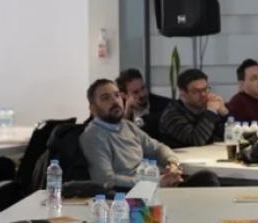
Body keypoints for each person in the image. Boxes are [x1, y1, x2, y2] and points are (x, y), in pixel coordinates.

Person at [80, 79, 218, 189]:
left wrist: (172, 164)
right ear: (93, 109)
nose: (115, 101)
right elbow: (105, 180)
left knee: (207, 178)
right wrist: (157, 182)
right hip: (131, 195)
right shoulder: (93, 136)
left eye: (117, 95)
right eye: (105, 98)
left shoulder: (127, 126)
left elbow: (157, 148)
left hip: (156, 183)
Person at [159, 69, 228, 148]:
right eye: (196, 91)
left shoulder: (207, 107)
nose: (203, 94)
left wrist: (224, 114)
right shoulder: (171, 115)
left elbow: (231, 137)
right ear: (183, 93)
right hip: (181, 155)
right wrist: (211, 111)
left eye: (205, 89)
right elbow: (196, 141)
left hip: (211, 153)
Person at [115, 68, 171, 140]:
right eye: (135, 92)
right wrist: (128, 111)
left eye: (143, 88)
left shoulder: (165, 105)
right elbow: (117, 137)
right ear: (124, 95)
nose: (142, 94)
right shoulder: (117, 110)